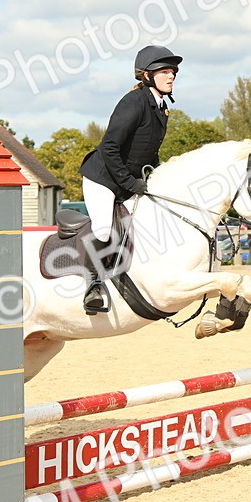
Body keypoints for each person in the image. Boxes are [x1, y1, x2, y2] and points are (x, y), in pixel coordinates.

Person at [77, 44, 181, 313]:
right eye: (165, 71)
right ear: (146, 75)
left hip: (126, 180)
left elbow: (148, 152)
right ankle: (94, 285)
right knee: (102, 229)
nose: (171, 76)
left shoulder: (160, 108)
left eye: (173, 72)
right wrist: (130, 183)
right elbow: (110, 147)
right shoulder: (133, 102)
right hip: (103, 179)